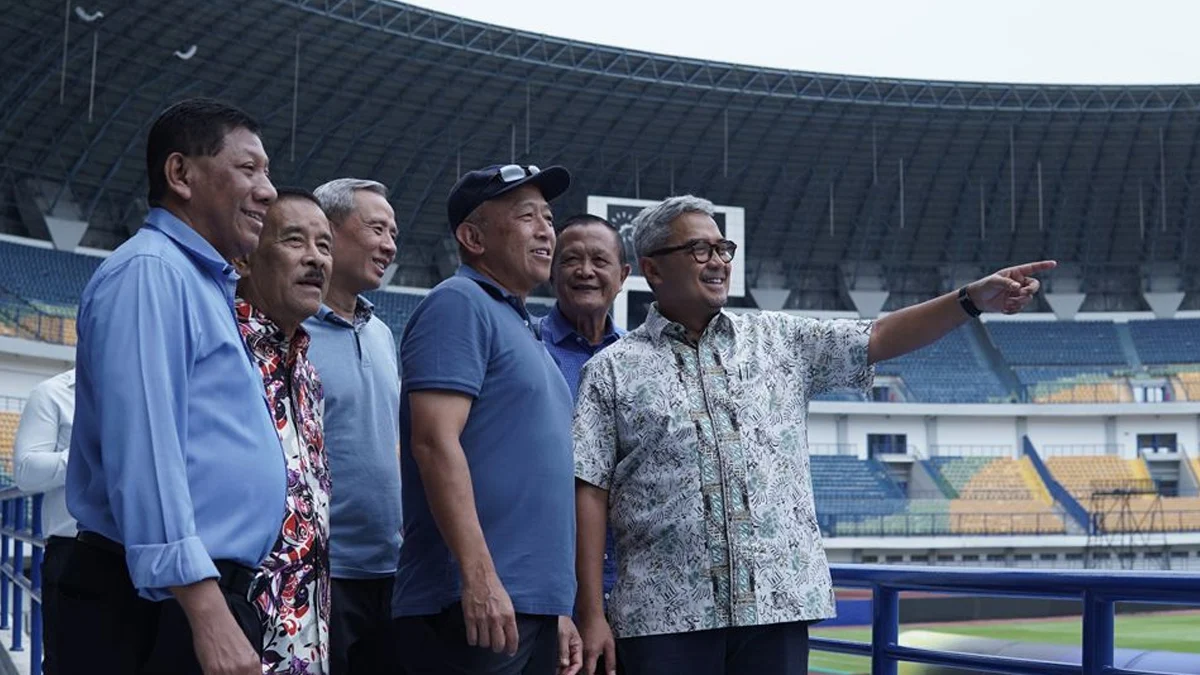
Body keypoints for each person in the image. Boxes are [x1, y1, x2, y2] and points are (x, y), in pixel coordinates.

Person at [572, 195, 1055, 675]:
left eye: (723, 248)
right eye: (700, 250)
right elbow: (590, 490)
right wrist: (592, 613)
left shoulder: (781, 339)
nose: (718, 261)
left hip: (776, 609)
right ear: (653, 270)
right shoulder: (611, 371)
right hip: (661, 619)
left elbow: (880, 336)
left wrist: (969, 301)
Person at [59, 98, 281, 675]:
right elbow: (147, 453)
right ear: (180, 174)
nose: (268, 191)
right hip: (161, 607)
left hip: (188, 599)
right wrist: (206, 610)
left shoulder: (199, 280)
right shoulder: (151, 272)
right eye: (249, 169)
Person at [393, 164, 582, 675]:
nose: (547, 230)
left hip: (527, 606)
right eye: (526, 217)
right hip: (472, 605)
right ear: (472, 237)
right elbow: (433, 443)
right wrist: (478, 577)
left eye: (548, 217)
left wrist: (554, 606)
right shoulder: (458, 303)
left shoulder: (523, 326)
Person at [233, 187, 335, 674]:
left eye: (325, 246)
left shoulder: (308, 374)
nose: (315, 259)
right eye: (295, 241)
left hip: (304, 637)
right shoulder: (220, 353)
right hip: (231, 633)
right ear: (246, 259)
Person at [306, 177, 402, 674]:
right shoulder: (289, 329)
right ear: (328, 231)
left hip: (392, 571)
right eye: (377, 229)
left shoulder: (384, 334)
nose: (389, 245)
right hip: (322, 571)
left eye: (393, 233)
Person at [538, 215, 629, 675]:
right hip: (551, 594)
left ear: (624, 275)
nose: (585, 270)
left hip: (636, 594)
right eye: (570, 259)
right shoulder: (525, 348)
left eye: (599, 260)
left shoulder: (640, 359)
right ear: (552, 272)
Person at [13, 368, 76, 675]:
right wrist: (89, 454)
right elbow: (25, 472)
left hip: (147, 553)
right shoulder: (52, 393)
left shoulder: (150, 393)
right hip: (74, 553)